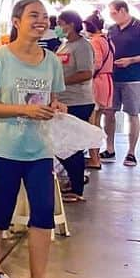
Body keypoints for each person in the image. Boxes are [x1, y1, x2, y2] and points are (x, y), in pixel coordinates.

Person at [0, 0, 68, 278]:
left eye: (44, 16)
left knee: (43, 212)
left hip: (40, 149)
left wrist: (56, 108)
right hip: (4, 149)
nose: (41, 20)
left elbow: (53, 100)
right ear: (16, 22)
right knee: (1, 211)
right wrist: (23, 109)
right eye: (33, 15)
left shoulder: (51, 61)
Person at [55, 10, 95, 201]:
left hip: (78, 101)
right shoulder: (65, 45)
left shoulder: (82, 46)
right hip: (64, 102)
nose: (57, 27)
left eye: (60, 23)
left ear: (70, 24)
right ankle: (75, 179)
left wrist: (61, 82)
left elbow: (86, 73)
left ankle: (77, 188)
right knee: (64, 144)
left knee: (71, 146)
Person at [107, 0, 140, 166]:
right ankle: (110, 148)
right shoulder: (112, 29)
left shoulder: (138, 27)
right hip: (112, 78)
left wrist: (132, 60)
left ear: (123, 11)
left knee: (133, 114)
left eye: (113, 13)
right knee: (109, 113)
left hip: (133, 78)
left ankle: (131, 152)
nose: (112, 16)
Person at [86, 13, 113, 170]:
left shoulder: (95, 41)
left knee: (92, 123)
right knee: (97, 122)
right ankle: (96, 157)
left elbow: (96, 63)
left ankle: (94, 158)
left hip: (97, 83)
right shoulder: (106, 39)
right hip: (107, 83)